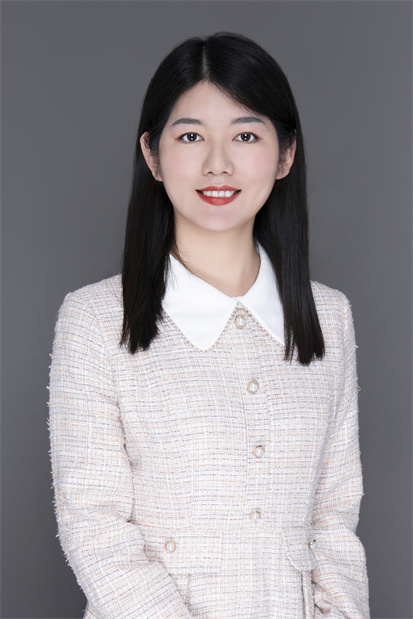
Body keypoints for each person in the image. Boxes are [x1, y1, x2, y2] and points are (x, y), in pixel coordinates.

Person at [48, 32, 370, 618]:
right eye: (191, 136)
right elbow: (94, 523)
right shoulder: (95, 320)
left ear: (285, 155)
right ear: (152, 155)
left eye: (246, 136)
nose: (218, 163)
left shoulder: (330, 317)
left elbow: (333, 516)